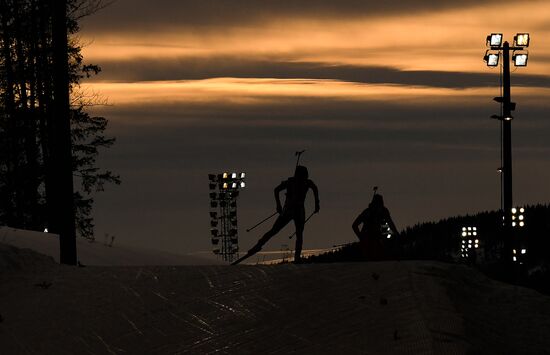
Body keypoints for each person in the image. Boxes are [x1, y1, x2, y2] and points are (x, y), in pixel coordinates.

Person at [235, 165, 320, 264]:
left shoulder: (303, 182)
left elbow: (314, 188)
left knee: (297, 234)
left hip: (297, 210)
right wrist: (278, 205)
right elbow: (276, 190)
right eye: (303, 175)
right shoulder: (292, 182)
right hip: (290, 210)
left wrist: (317, 203)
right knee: (276, 231)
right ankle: (258, 246)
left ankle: (297, 258)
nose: (304, 177)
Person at [352, 193, 398, 260]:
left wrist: (361, 238)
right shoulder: (370, 212)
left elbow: (354, 225)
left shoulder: (370, 212)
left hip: (373, 240)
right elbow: (354, 225)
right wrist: (362, 238)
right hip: (370, 241)